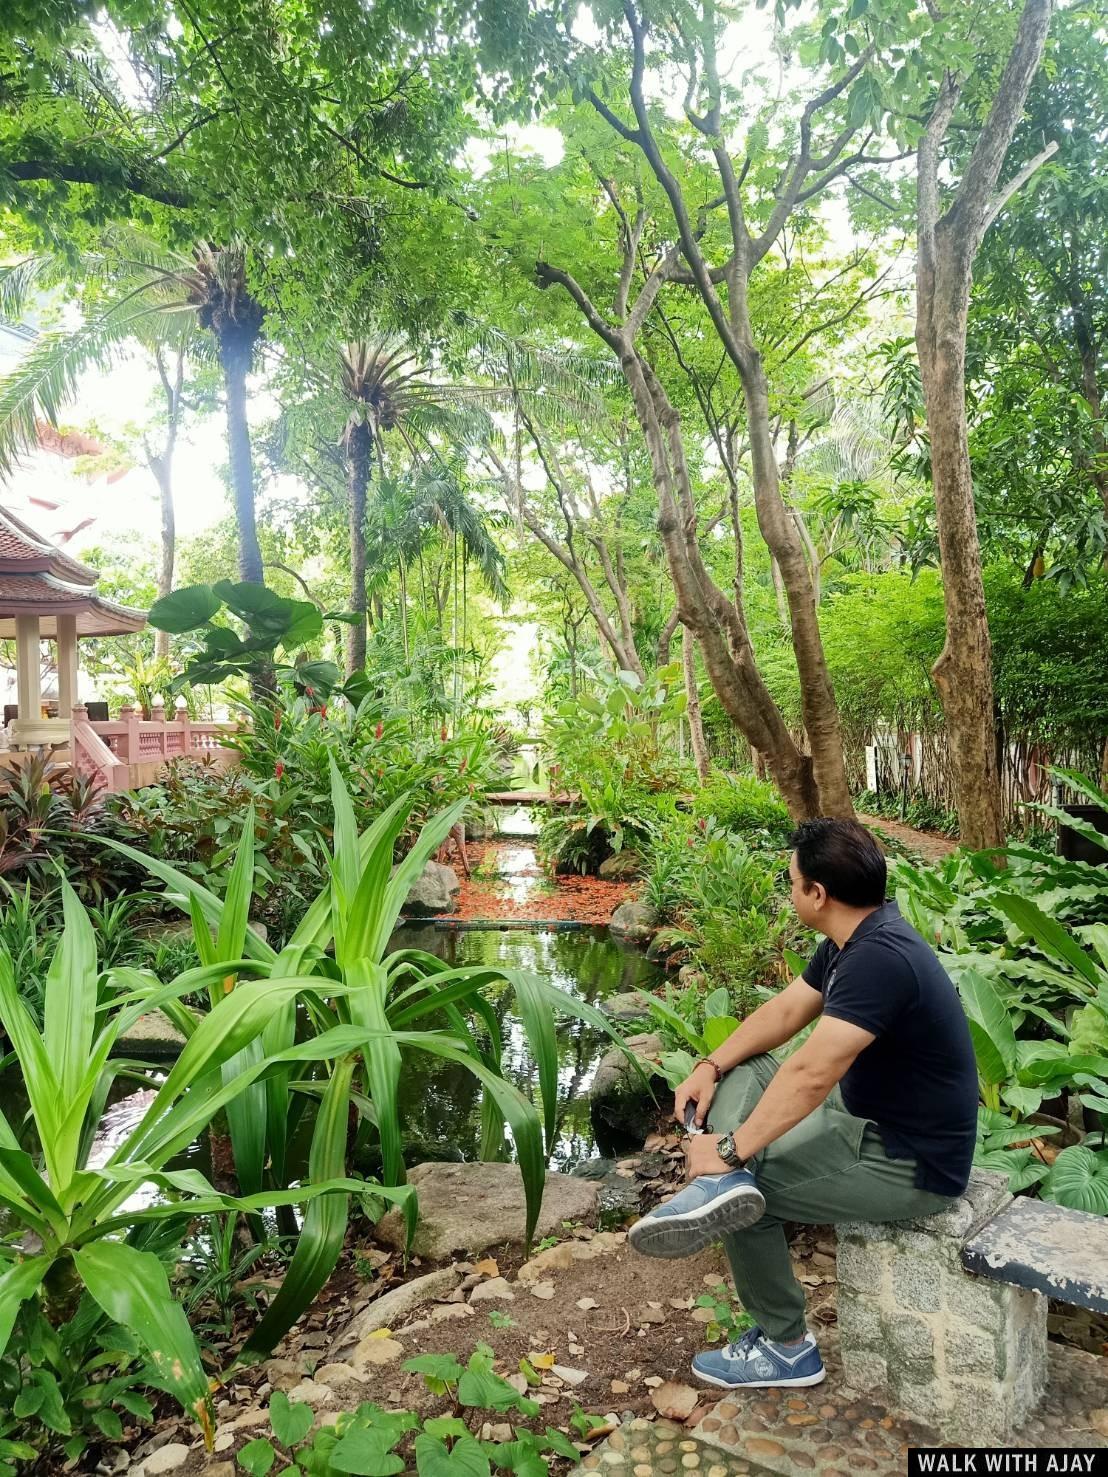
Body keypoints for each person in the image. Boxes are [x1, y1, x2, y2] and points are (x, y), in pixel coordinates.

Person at [628, 817, 978, 1392]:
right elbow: (785, 1014)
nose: (789, 890)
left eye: (791, 881)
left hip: (908, 1161)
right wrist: (709, 1065)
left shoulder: (879, 959)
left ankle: (786, 1347)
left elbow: (814, 1072)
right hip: (860, 1120)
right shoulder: (855, 939)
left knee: (745, 1198)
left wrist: (732, 1150)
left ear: (817, 893)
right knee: (744, 1069)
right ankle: (723, 1179)